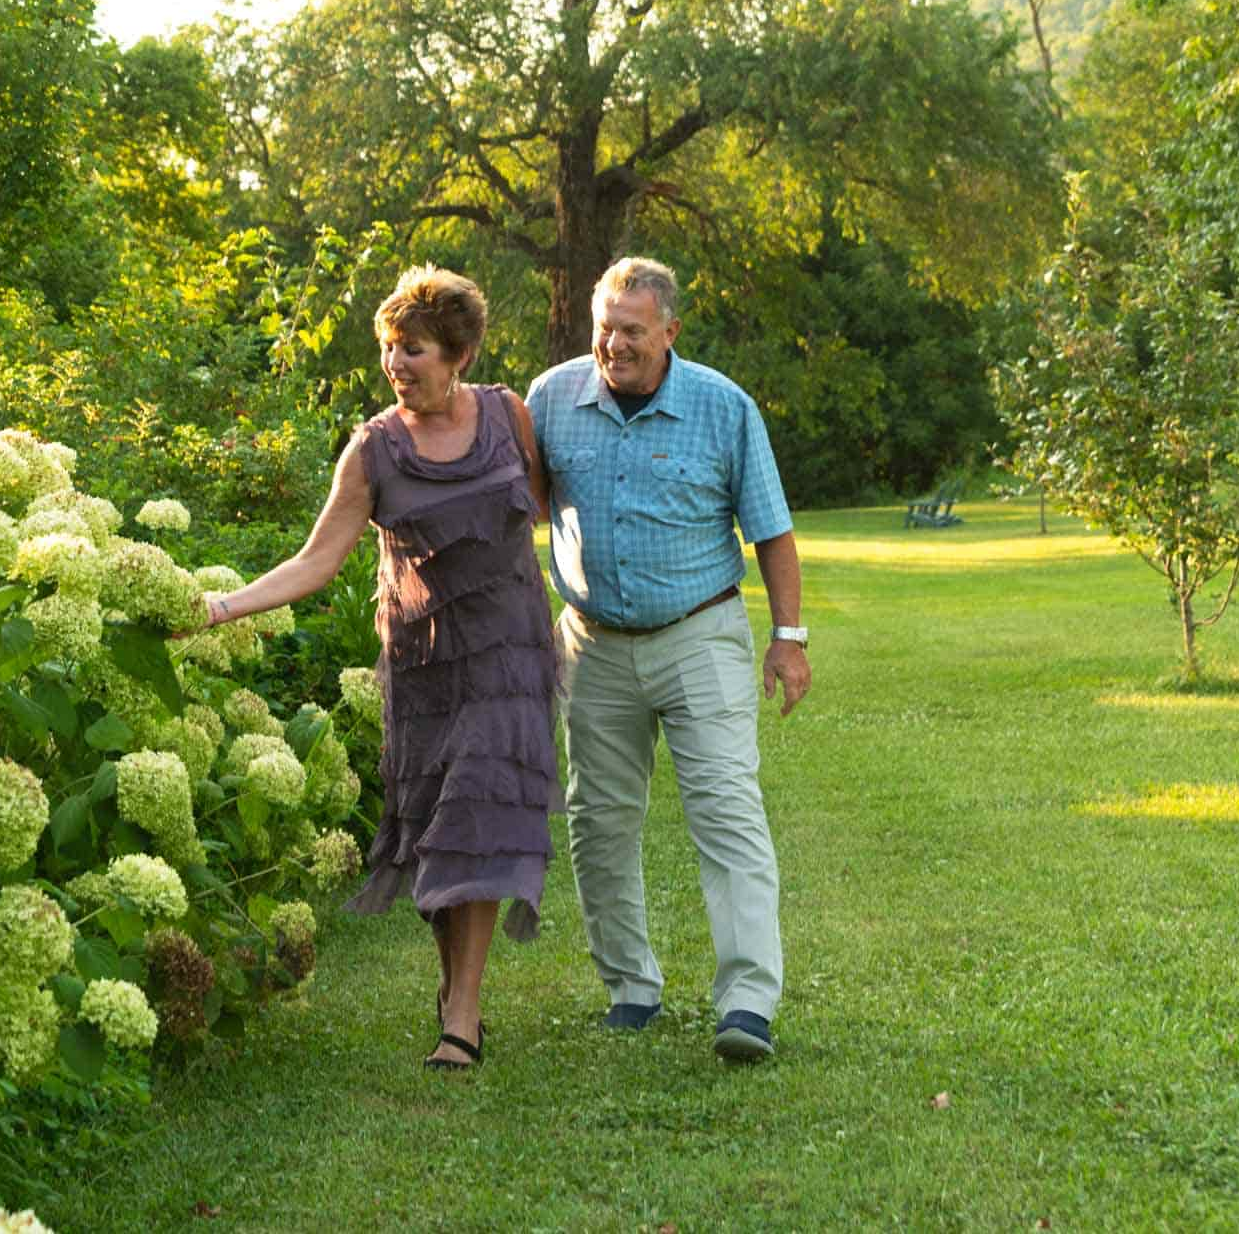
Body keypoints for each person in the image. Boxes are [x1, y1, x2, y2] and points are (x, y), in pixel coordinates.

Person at [203, 265, 558, 1071]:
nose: (399, 365)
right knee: (440, 829)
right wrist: (221, 607)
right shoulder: (374, 451)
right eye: (392, 349)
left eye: (417, 350)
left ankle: (461, 1015)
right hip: (426, 664)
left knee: (482, 812)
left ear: (460, 353)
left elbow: (537, 506)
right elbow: (315, 561)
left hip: (507, 656)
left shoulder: (509, 416)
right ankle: (453, 987)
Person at [523, 256, 812, 1064]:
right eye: (603, 329)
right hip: (593, 643)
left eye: (632, 332)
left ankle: (748, 1002)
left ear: (670, 332)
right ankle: (630, 988)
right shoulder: (550, 399)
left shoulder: (723, 406)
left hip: (699, 633)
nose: (613, 345)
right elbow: (531, 505)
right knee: (599, 820)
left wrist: (789, 641)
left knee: (726, 810)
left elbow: (772, 531)